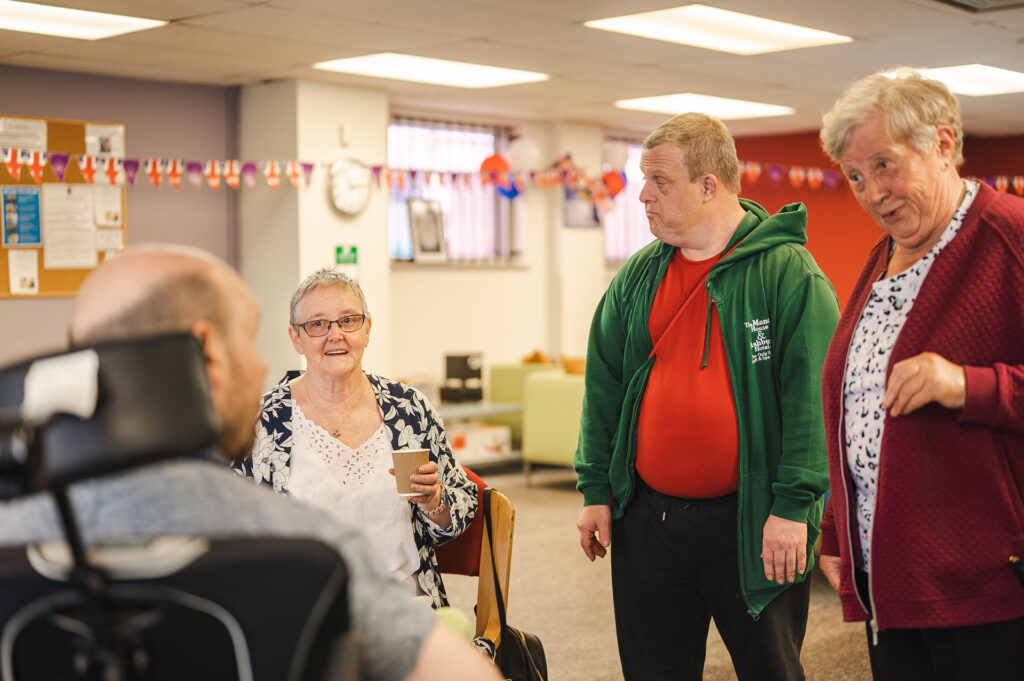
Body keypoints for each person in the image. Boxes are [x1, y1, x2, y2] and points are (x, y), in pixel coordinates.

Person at [0, 246, 502, 681]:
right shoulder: (313, 548)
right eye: (249, 336)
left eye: (347, 321)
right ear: (209, 354)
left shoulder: (14, 534)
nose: (261, 365)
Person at [574, 112, 839, 681]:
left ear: (709, 186)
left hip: (753, 520)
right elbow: (604, 389)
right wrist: (596, 489)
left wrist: (794, 507)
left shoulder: (789, 274)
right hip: (647, 518)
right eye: (644, 180)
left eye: (660, 182)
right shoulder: (638, 276)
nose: (642, 195)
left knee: (771, 669)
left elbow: (814, 403)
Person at [817, 68, 1024, 679]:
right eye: (855, 176)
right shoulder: (885, 254)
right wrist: (838, 531)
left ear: (942, 143)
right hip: (894, 581)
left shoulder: (1009, 237)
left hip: (985, 583)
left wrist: (966, 384)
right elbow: (855, 405)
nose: (871, 192)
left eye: (884, 165)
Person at [237, 268, 476, 611]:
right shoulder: (262, 422)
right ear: (296, 338)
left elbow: (460, 510)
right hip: (304, 613)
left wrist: (434, 501)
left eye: (348, 320)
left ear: (367, 330)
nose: (335, 335)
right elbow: (235, 531)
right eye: (318, 324)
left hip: (405, 605)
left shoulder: (409, 408)